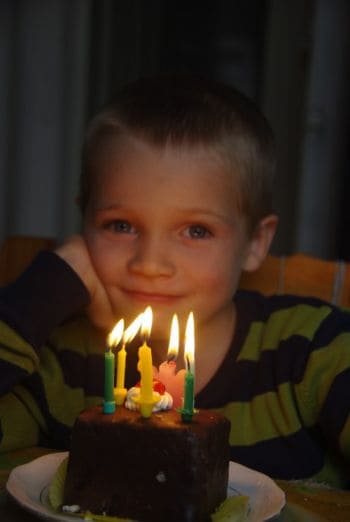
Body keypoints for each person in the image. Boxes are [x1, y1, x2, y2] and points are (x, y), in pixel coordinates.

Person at [0, 74, 349, 488]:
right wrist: (46, 287)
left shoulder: (312, 350)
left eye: (196, 230)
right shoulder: (60, 363)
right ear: (83, 225)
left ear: (255, 242)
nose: (150, 263)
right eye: (120, 224)